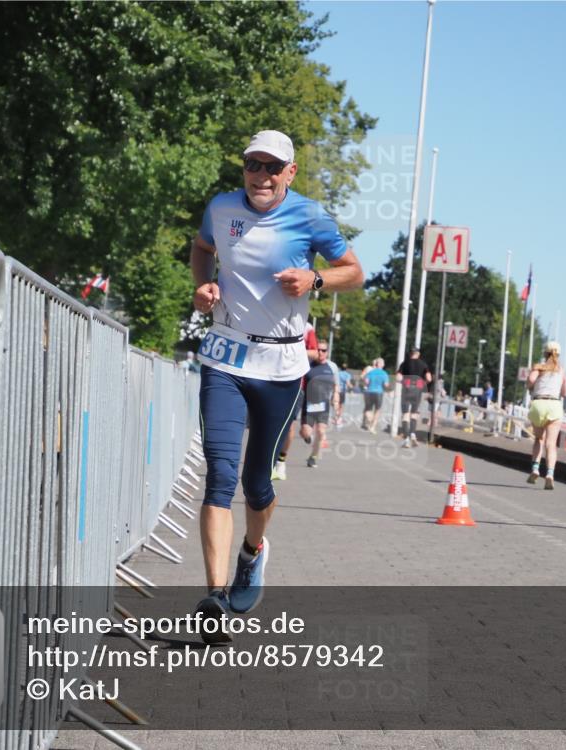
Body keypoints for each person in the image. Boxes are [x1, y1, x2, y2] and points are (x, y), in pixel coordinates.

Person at [190, 129, 363, 639]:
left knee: (256, 483)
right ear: (243, 168)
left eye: (272, 167)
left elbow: (354, 271)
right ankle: (216, 600)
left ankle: (253, 552)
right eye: (253, 165)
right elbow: (202, 248)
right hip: (224, 354)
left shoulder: (310, 216)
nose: (260, 176)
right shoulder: (221, 209)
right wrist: (201, 285)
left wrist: (316, 280)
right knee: (219, 475)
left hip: (281, 365)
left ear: (289, 173)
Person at [272, 323, 319, 481]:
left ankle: (281, 461)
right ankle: (265, 460)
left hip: (294, 382)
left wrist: (291, 350)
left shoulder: (307, 327)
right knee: (265, 421)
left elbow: (315, 353)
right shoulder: (270, 316)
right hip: (267, 378)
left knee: (288, 424)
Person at [526, 341, 566, 490]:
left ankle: (535, 469)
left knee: (539, 439)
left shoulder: (539, 367)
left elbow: (531, 380)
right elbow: (564, 392)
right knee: (551, 444)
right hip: (554, 406)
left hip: (539, 404)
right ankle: (550, 474)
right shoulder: (561, 370)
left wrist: (529, 385)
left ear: (545, 353)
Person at [301, 344, 339, 467]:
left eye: (323, 350)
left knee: (321, 432)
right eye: (318, 350)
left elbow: (336, 385)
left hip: (324, 405)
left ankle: (313, 457)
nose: (320, 352)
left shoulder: (332, 367)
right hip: (308, 404)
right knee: (305, 432)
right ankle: (308, 438)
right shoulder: (308, 365)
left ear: (327, 352)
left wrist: (336, 400)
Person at [396, 349, 432, 448]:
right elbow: (429, 378)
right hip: (418, 390)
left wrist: (403, 381)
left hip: (407, 389)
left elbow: (398, 377)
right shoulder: (424, 365)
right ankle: (413, 434)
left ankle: (406, 439)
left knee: (405, 414)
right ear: (418, 354)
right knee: (414, 414)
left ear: (410, 354)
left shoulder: (404, 363)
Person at [362, 358, 390, 434]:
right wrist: (386, 386)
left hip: (369, 392)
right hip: (379, 392)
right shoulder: (384, 373)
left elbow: (366, 382)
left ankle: (369, 419)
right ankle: (373, 427)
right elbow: (386, 385)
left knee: (368, 409)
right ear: (382, 365)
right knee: (377, 410)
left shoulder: (370, 372)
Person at [336, 363, 352, 429]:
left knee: (336, 403)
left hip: (336, 390)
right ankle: (339, 419)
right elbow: (348, 383)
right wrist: (352, 387)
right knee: (341, 405)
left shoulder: (338, 373)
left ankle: (336, 416)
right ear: (347, 368)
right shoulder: (347, 375)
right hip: (342, 391)